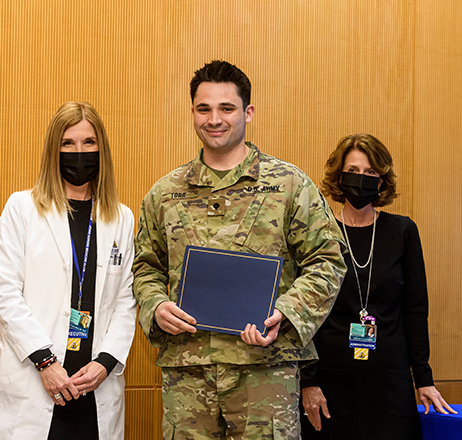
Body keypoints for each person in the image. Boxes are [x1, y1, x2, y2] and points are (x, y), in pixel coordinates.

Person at [133, 60, 347, 439]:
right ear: (193, 113)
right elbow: (146, 267)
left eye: (226, 108)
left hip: (264, 370)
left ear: (248, 112)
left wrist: (286, 311)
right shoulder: (165, 193)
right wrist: (156, 306)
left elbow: (328, 260)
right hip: (188, 372)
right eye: (204, 109)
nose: (214, 119)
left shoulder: (289, 185)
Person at [0, 102, 137, 440]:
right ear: (53, 150)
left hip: (93, 384)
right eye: (68, 144)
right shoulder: (22, 209)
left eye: (89, 143)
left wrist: (105, 363)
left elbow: (126, 302)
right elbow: (4, 294)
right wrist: (44, 362)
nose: (79, 152)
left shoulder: (121, 217)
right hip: (34, 380)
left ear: (101, 149)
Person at [300, 133, 456, 440]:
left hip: (389, 381)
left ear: (382, 180)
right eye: (354, 171)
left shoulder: (402, 232)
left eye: (371, 172)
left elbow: (415, 310)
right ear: (339, 176)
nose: (362, 179)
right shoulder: (320, 233)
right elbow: (305, 316)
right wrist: (308, 381)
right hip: (330, 382)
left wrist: (423, 379)